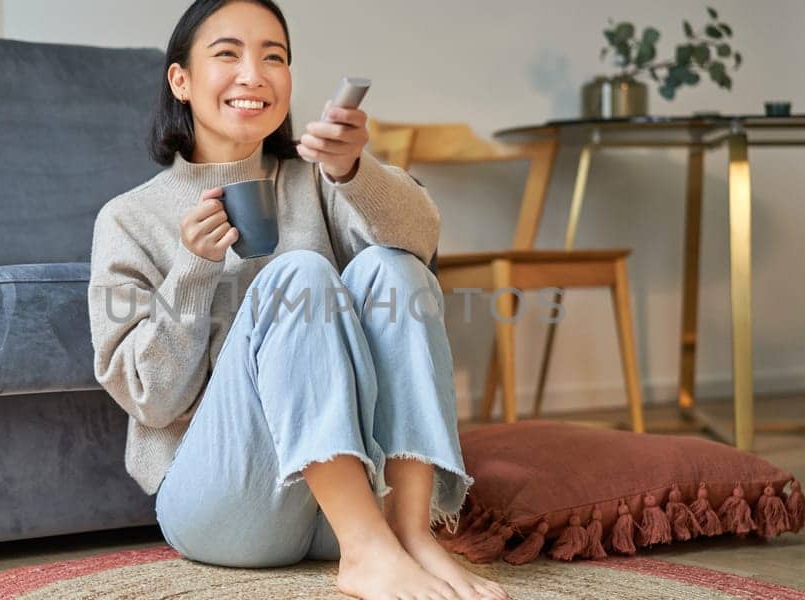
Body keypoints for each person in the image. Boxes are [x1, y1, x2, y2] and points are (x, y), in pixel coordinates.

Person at [88, 1, 507, 599]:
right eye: (227, 53)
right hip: (225, 508)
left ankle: (410, 534)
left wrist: (352, 170)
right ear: (179, 80)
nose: (253, 74)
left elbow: (423, 244)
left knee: (394, 268)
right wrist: (193, 269)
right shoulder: (127, 219)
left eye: (274, 57)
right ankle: (367, 553)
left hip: (349, 502)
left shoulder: (315, 178)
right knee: (301, 275)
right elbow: (150, 401)